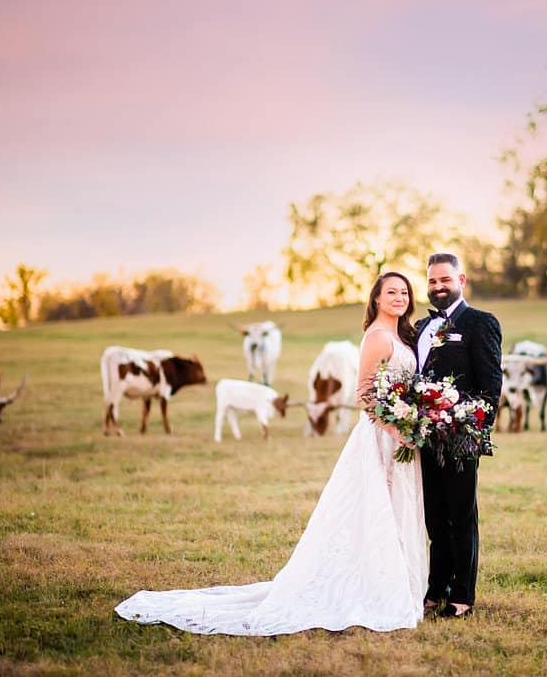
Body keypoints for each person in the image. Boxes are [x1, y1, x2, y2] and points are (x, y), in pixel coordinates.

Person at [115, 272, 426, 635]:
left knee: (392, 508)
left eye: (404, 292)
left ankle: (389, 581)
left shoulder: (403, 335)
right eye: (391, 292)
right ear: (375, 299)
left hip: (402, 437)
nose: (399, 297)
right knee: (374, 507)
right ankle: (372, 588)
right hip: (382, 438)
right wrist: (396, 429)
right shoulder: (376, 337)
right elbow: (364, 395)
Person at [415, 253, 502, 619]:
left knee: (461, 518)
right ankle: (436, 589)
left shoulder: (480, 322)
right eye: (433, 281)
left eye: (445, 280)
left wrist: (474, 430)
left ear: (461, 280)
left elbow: (491, 384)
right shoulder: (420, 326)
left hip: (461, 438)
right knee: (434, 519)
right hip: (423, 439)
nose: (438, 287)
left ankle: (462, 596)